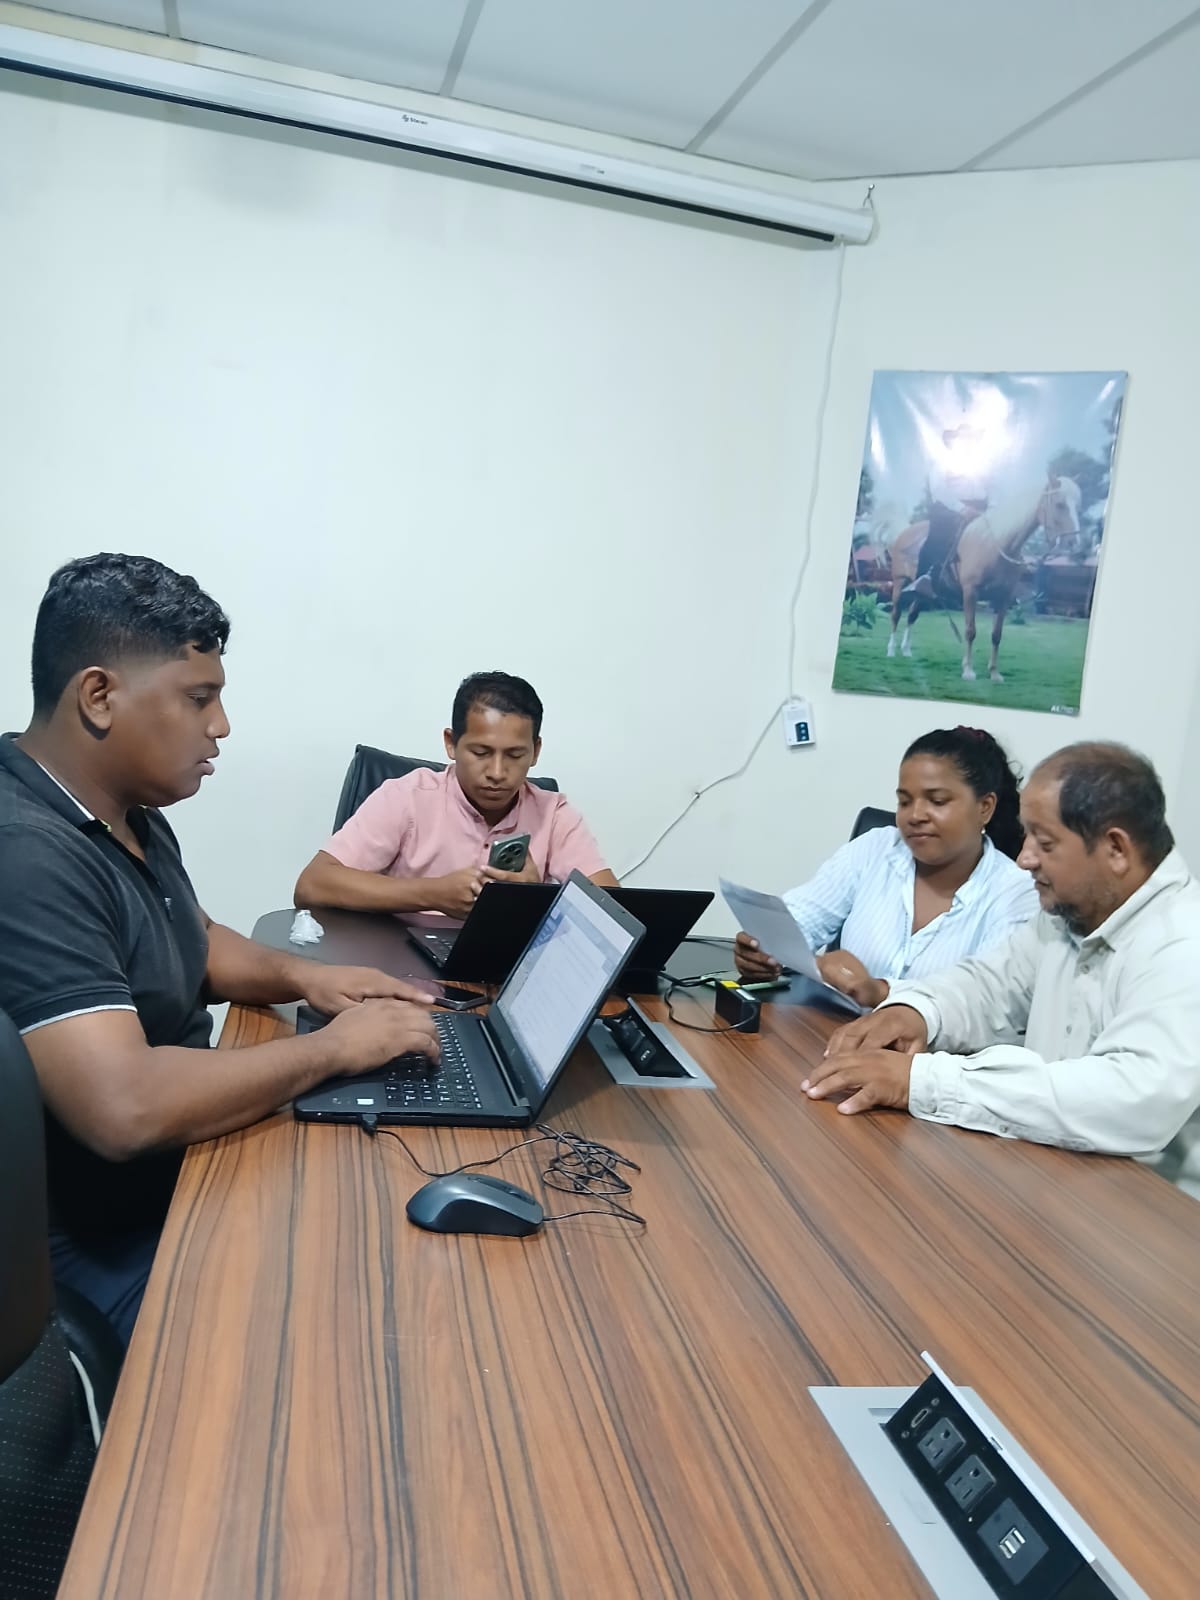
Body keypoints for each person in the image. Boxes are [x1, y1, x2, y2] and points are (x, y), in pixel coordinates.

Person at [0, 554, 440, 1346]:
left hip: (179, 1173)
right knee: (362, 1309)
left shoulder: (125, 811)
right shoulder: (26, 853)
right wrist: (334, 1050)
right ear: (99, 696)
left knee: (378, 1218)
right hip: (97, 1249)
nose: (221, 726)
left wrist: (311, 978)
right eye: (199, 699)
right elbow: (124, 1107)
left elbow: (193, 939)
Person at [804, 743, 1200, 1158]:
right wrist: (917, 1011)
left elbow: (1132, 1100)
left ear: (1115, 849)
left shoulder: (1183, 942)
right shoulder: (1069, 912)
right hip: (1041, 1163)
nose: (1025, 859)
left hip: (1136, 1191)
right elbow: (990, 986)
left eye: (1045, 843)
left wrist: (921, 1081)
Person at [735, 727, 1038, 1008]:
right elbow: (799, 921)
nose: (915, 815)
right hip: (833, 1034)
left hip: (932, 1050)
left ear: (985, 807)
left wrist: (880, 991)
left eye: (937, 801)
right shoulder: (876, 849)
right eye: (905, 802)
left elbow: (988, 1002)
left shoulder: (1016, 893)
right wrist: (764, 949)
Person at [295, 671, 618, 919]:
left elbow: (615, 916)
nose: (497, 772)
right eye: (481, 752)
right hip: (400, 966)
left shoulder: (554, 814)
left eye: (515, 755)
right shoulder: (407, 797)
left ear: (536, 751)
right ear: (451, 743)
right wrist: (433, 894)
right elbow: (312, 884)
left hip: (503, 970)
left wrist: (536, 900)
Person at [902, 425, 992, 602]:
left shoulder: (983, 466)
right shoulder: (942, 464)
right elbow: (939, 491)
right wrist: (962, 509)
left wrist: (990, 509)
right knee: (939, 536)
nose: (968, 443)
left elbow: (992, 489)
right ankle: (927, 577)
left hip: (980, 509)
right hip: (949, 509)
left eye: (972, 439)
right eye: (964, 439)